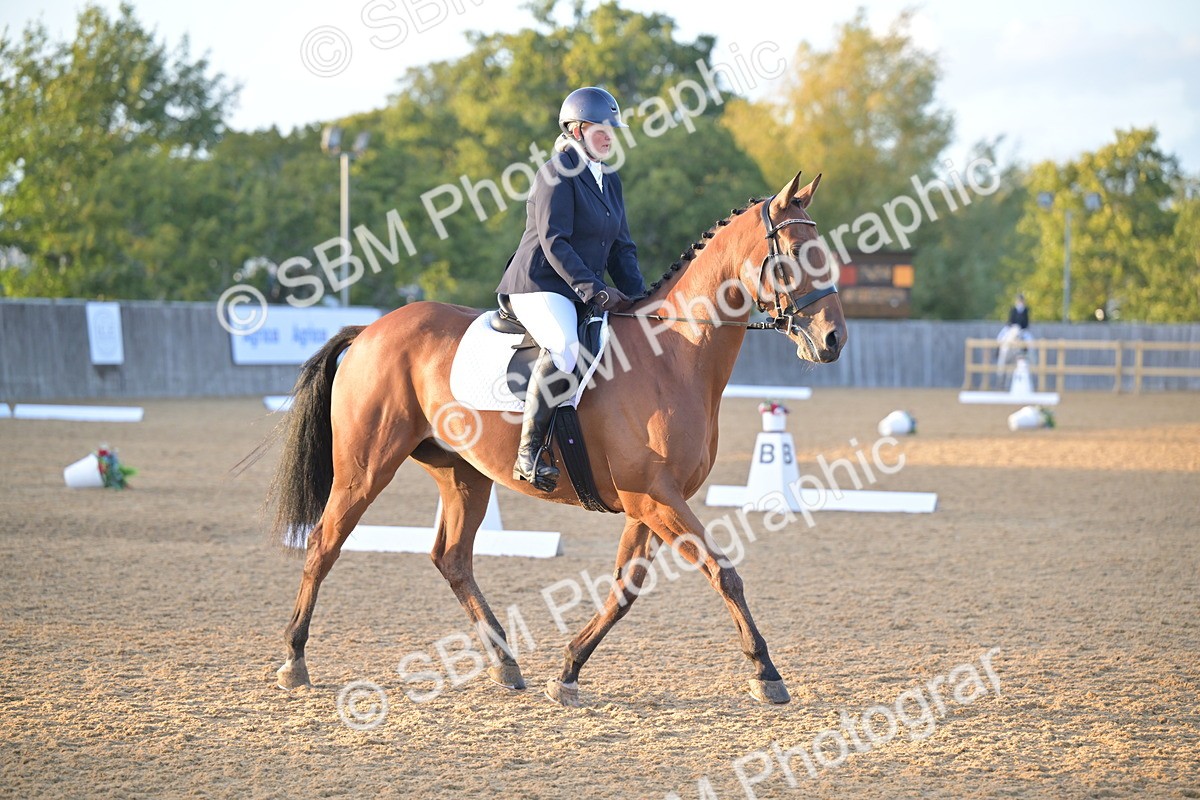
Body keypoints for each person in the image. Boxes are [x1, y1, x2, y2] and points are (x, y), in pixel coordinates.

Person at [496, 86, 646, 491]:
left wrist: (645, 300)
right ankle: (527, 454)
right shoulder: (555, 172)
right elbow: (554, 240)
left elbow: (622, 249)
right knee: (565, 346)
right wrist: (593, 289)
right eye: (602, 129)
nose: (610, 136)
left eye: (613, 130)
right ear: (577, 129)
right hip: (540, 283)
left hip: (579, 288)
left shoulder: (609, 180)